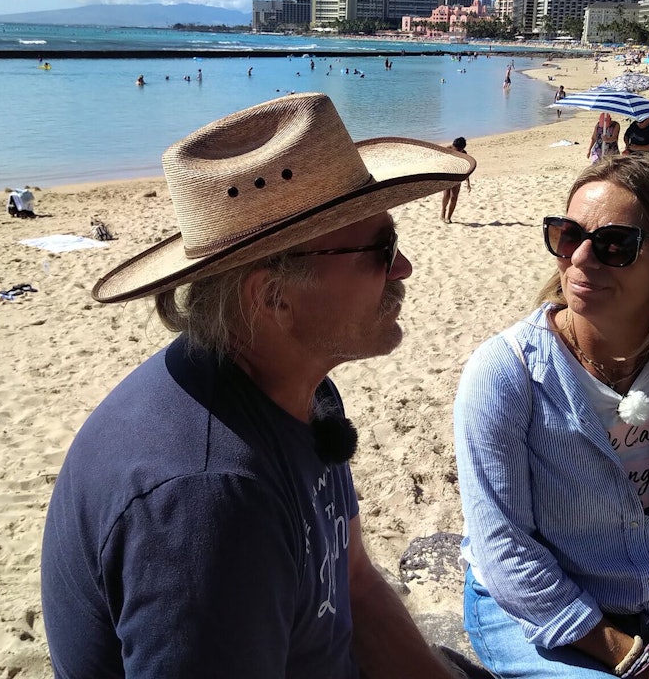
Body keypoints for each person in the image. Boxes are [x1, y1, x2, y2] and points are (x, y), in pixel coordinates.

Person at [41, 93, 479, 678]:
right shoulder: (207, 500)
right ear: (272, 297)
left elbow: (352, 582)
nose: (403, 269)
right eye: (381, 250)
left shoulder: (304, 387)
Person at [454, 156, 649, 679]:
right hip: (534, 614)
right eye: (568, 236)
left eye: (616, 244)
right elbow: (505, 547)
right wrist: (640, 661)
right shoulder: (507, 374)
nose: (582, 259)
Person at [441, 137, 472, 223]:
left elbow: (467, 169)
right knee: (446, 195)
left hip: (458, 176)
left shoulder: (464, 154)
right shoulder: (447, 149)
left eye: (458, 150)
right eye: (455, 148)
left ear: (462, 149)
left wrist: (468, 183)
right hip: (447, 175)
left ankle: (449, 217)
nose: (456, 151)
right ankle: (443, 211)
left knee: (454, 197)